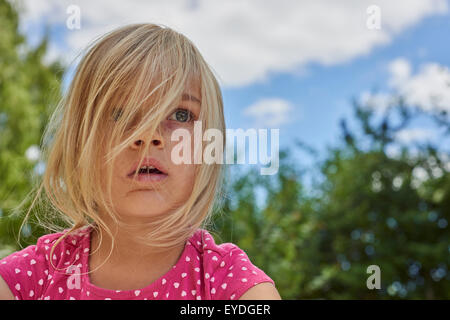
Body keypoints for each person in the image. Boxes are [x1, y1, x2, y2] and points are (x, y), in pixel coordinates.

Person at [0, 23, 281, 300]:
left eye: (181, 115)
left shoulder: (233, 285)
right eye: (121, 114)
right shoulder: (29, 280)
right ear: (79, 142)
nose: (148, 135)